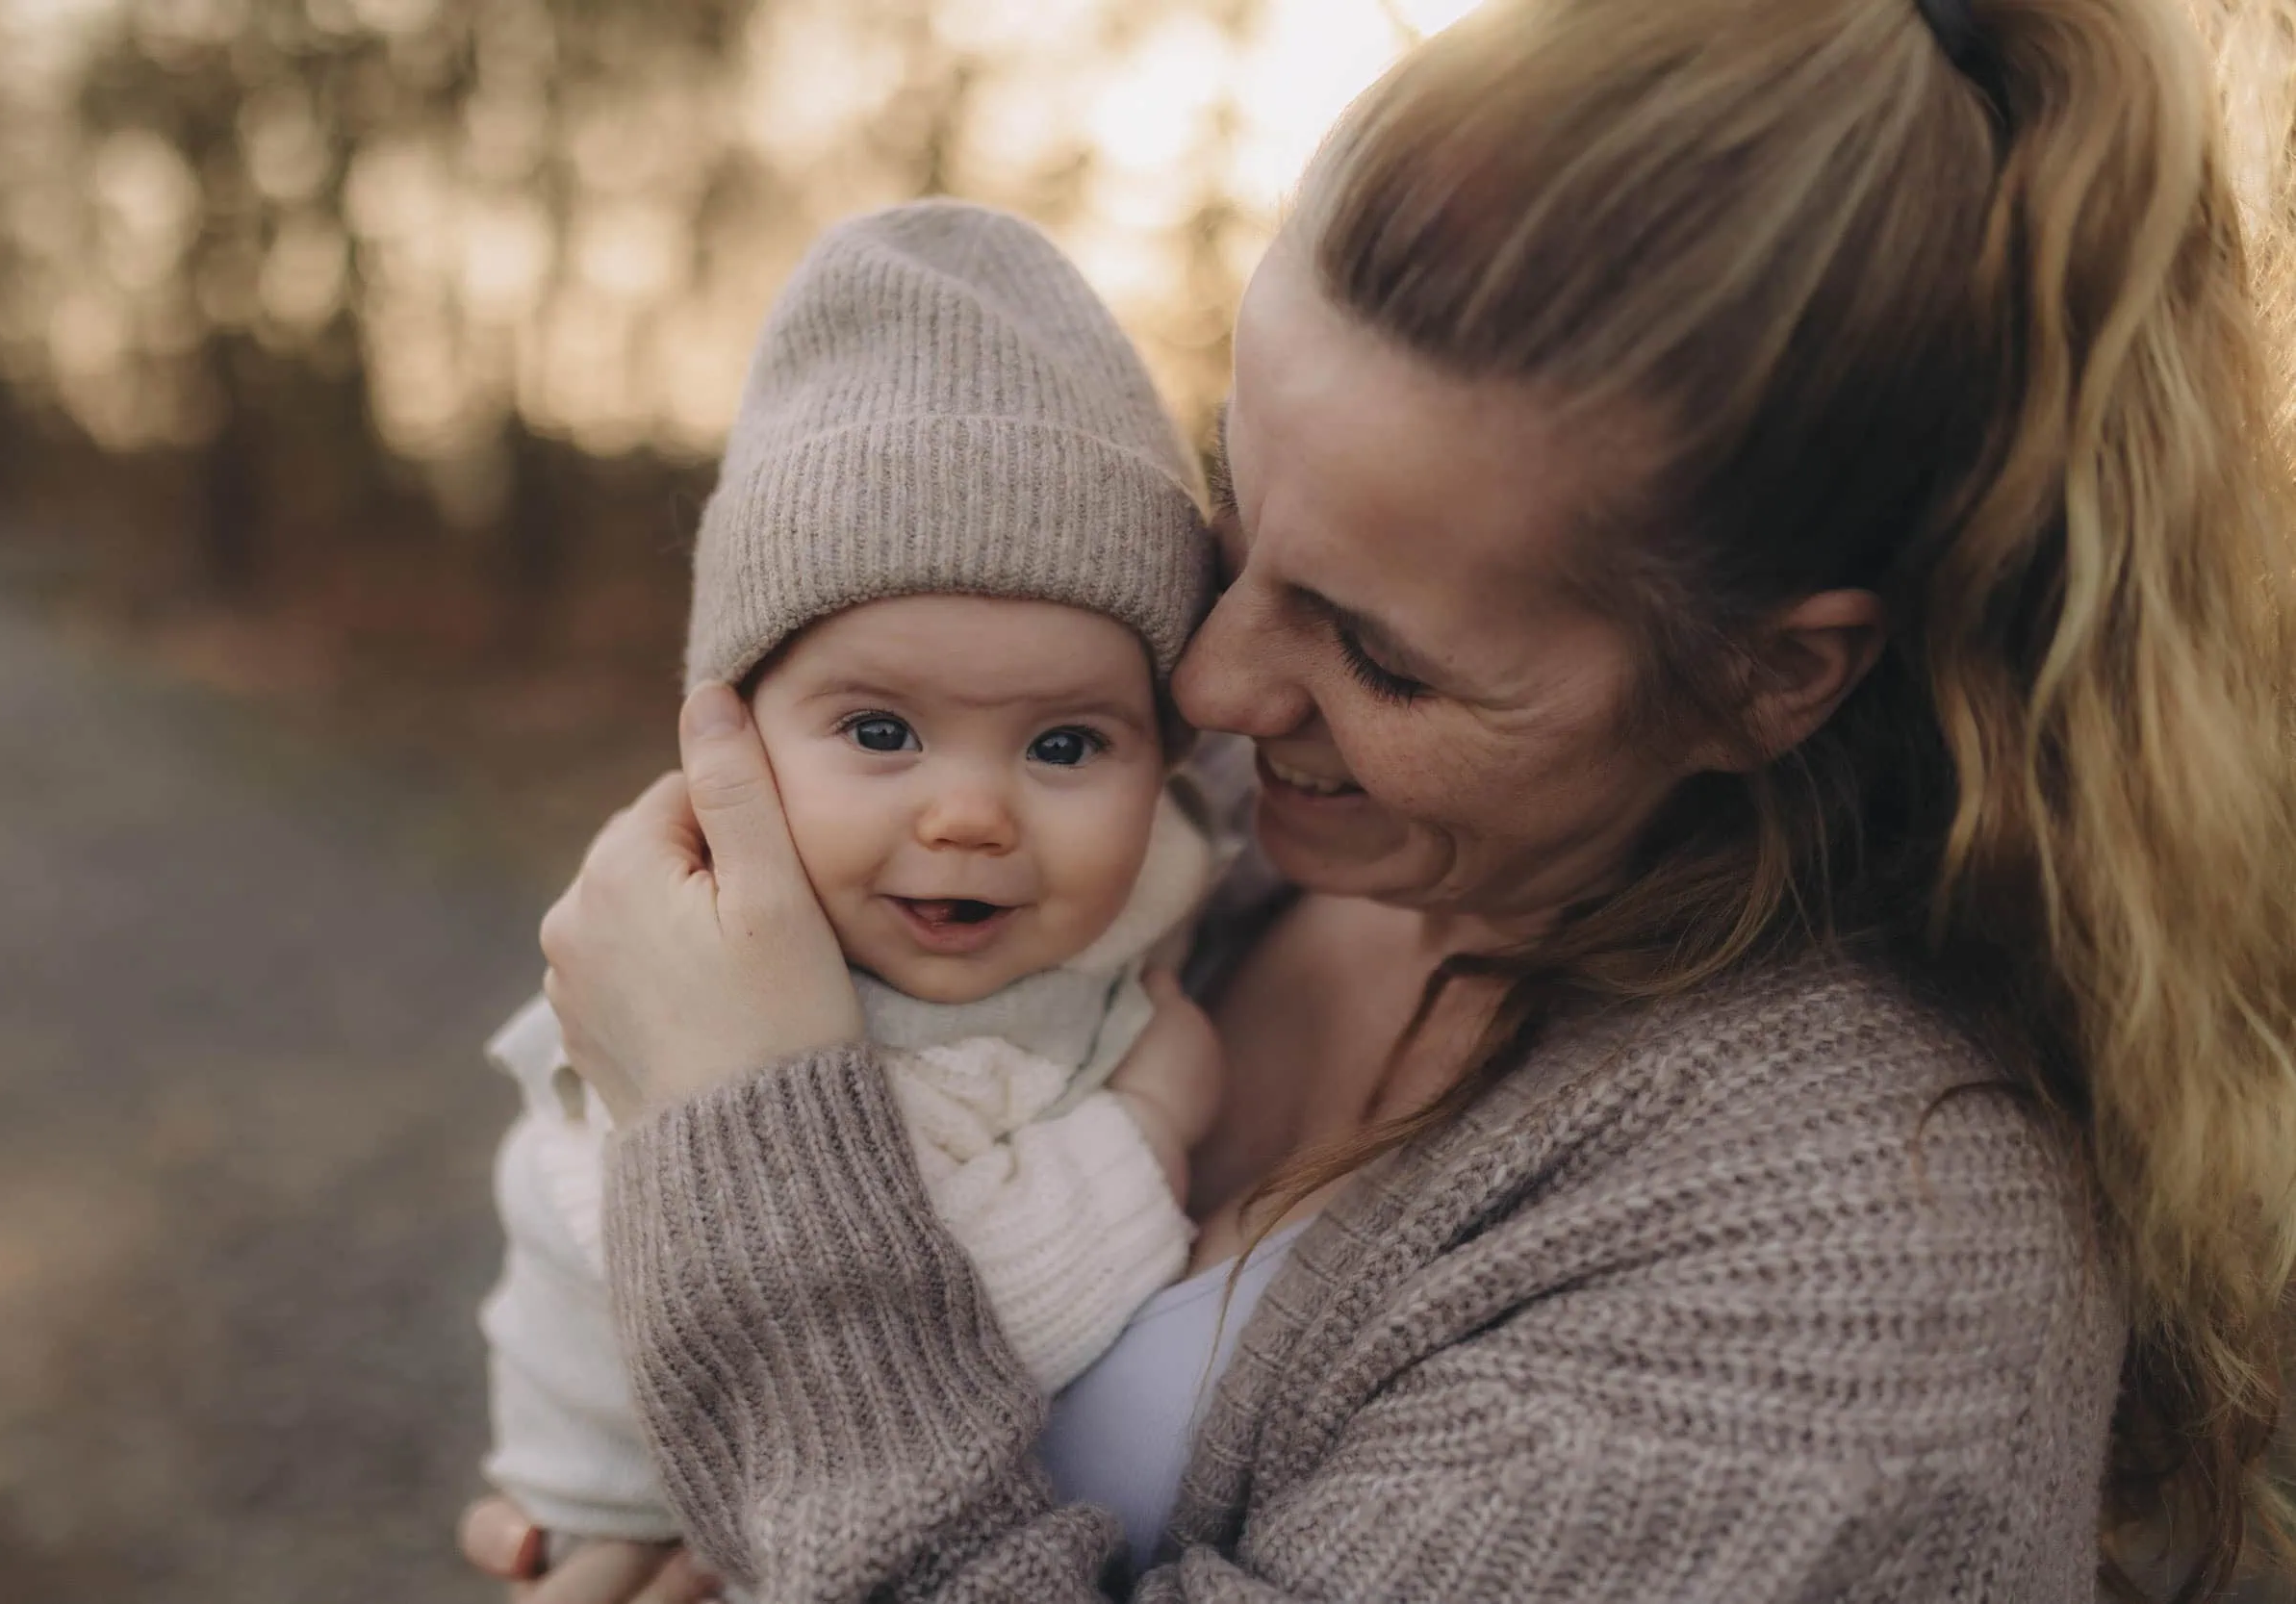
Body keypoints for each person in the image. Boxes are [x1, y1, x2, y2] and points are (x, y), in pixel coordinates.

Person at [468, 0, 2296, 1596]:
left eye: (1382, 654)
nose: (1210, 688)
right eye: (1234, 510)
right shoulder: (1252, 862)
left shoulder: (1868, 1275)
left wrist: (742, 1148)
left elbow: (845, 1436)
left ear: (1767, 674)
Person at [472, 202, 1225, 1597]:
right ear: (731, 739)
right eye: (881, 730)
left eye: (1067, 744)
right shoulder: (731, 978)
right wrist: (1147, 1133)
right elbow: (958, 1328)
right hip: (639, 1514)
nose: (969, 811)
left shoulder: (1172, 903)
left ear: (1171, 758)